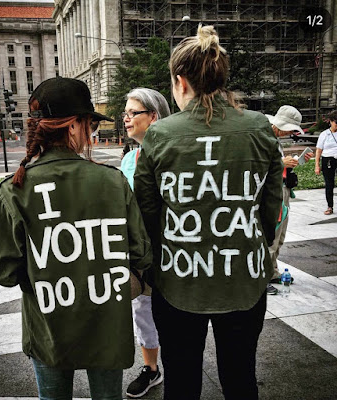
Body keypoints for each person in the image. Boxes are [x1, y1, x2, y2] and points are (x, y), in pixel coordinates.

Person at [0, 76, 152, 400]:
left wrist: (40, 274)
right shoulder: (112, 182)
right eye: (89, 124)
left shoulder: (14, 189)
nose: (91, 133)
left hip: (48, 329)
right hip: (107, 328)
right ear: (73, 126)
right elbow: (142, 253)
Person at [134, 25, 283, 400]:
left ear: (180, 81)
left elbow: (147, 213)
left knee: (182, 381)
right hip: (243, 278)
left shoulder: (160, 134)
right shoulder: (258, 127)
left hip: (179, 279)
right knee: (240, 377)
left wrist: (153, 264)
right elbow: (271, 206)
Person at [120, 88, 170, 398]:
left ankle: (178, 364)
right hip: (142, 254)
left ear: (153, 116)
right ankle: (151, 369)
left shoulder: (173, 153)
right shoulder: (129, 158)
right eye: (124, 112)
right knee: (142, 310)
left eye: (132, 112)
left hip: (174, 249)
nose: (125, 118)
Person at [265, 105, 313, 293]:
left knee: (280, 235)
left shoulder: (274, 139)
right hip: (273, 192)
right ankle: (263, 277)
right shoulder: (265, 138)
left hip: (282, 188)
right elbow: (259, 166)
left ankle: (273, 271)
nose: (291, 132)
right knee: (272, 235)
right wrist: (281, 162)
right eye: (290, 128)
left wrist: (293, 162)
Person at [315, 110, 337, 215]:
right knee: (329, 184)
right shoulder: (324, 134)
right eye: (336, 122)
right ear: (331, 122)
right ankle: (330, 206)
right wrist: (317, 166)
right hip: (328, 159)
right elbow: (318, 150)